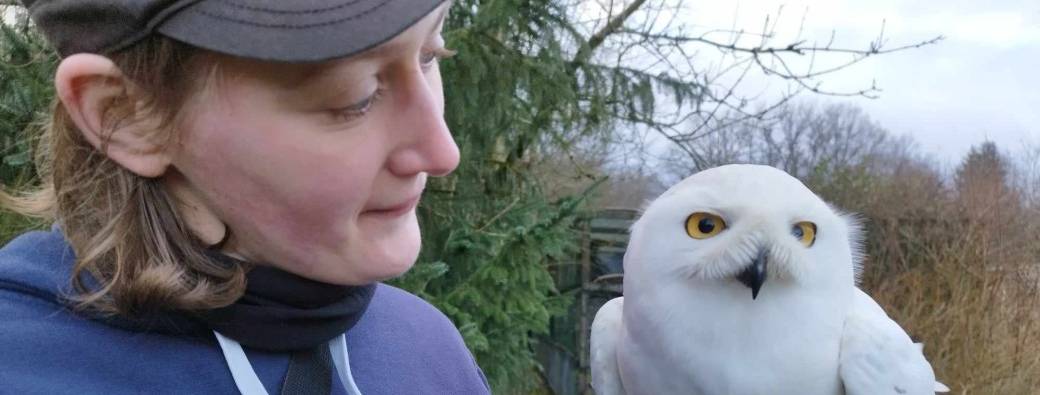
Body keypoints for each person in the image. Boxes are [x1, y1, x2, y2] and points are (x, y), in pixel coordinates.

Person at [0, 1, 491, 394]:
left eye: (429, 55)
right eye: (355, 97)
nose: (441, 151)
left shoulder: (425, 349)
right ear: (123, 117)